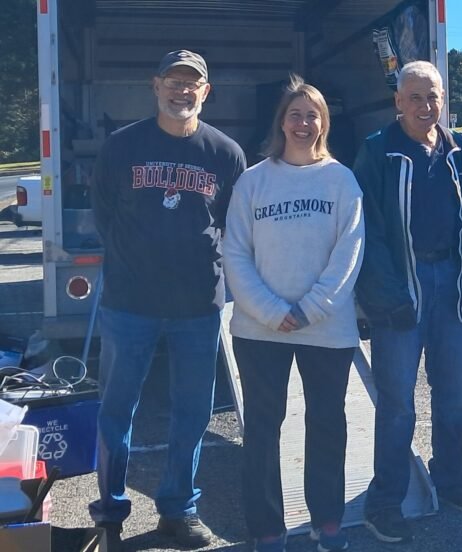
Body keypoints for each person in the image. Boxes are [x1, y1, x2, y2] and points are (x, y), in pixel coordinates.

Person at [89, 50, 246, 549]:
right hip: (129, 302)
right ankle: (110, 513)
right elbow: (103, 213)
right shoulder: (122, 146)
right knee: (117, 409)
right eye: (173, 82)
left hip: (197, 306)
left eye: (191, 83)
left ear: (206, 92)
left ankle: (178, 510)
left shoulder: (225, 154)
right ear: (155, 86)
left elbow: (233, 224)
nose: (182, 91)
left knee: (193, 413)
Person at [353, 60, 462, 544]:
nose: (425, 105)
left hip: (450, 283)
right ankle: (384, 501)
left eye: (432, 96)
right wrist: (384, 294)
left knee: (452, 393)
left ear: (443, 99)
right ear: (398, 101)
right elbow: (366, 229)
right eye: (414, 97)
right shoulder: (378, 151)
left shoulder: (459, 151)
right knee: (398, 404)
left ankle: (450, 478)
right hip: (402, 285)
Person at [223, 76, 364, 552]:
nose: (304, 123)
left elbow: (349, 253)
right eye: (295, 114)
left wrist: (310, 309)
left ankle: (327, 522)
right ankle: (267, 528)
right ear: (281, 122)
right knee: (263, 430)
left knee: (327, 425)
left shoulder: (342, 180)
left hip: (326, 329)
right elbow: (235, 252)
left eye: (313, 115)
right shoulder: (253, 180)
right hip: (259, 330)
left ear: (324, 123)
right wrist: (270, 311)